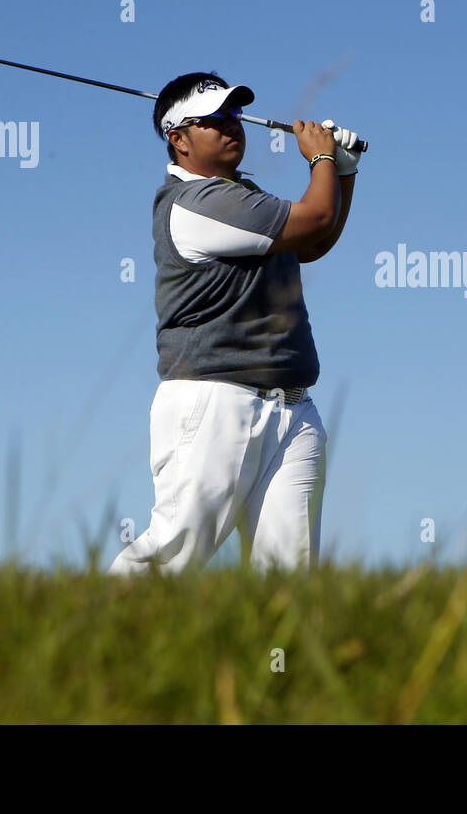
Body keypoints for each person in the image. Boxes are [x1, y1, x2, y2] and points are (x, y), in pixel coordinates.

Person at [108, 72, 359, 575]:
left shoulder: (245, 196)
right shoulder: (196, 204)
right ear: (177, 139)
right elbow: (312, 218)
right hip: (215, 400)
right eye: (215, 119)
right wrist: (323, 159)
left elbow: (313, 240)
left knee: (286, 573)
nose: (232, 127)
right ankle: (87, 643)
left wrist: (343, 173)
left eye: (235, 115)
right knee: (174, 553)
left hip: (293, 407)